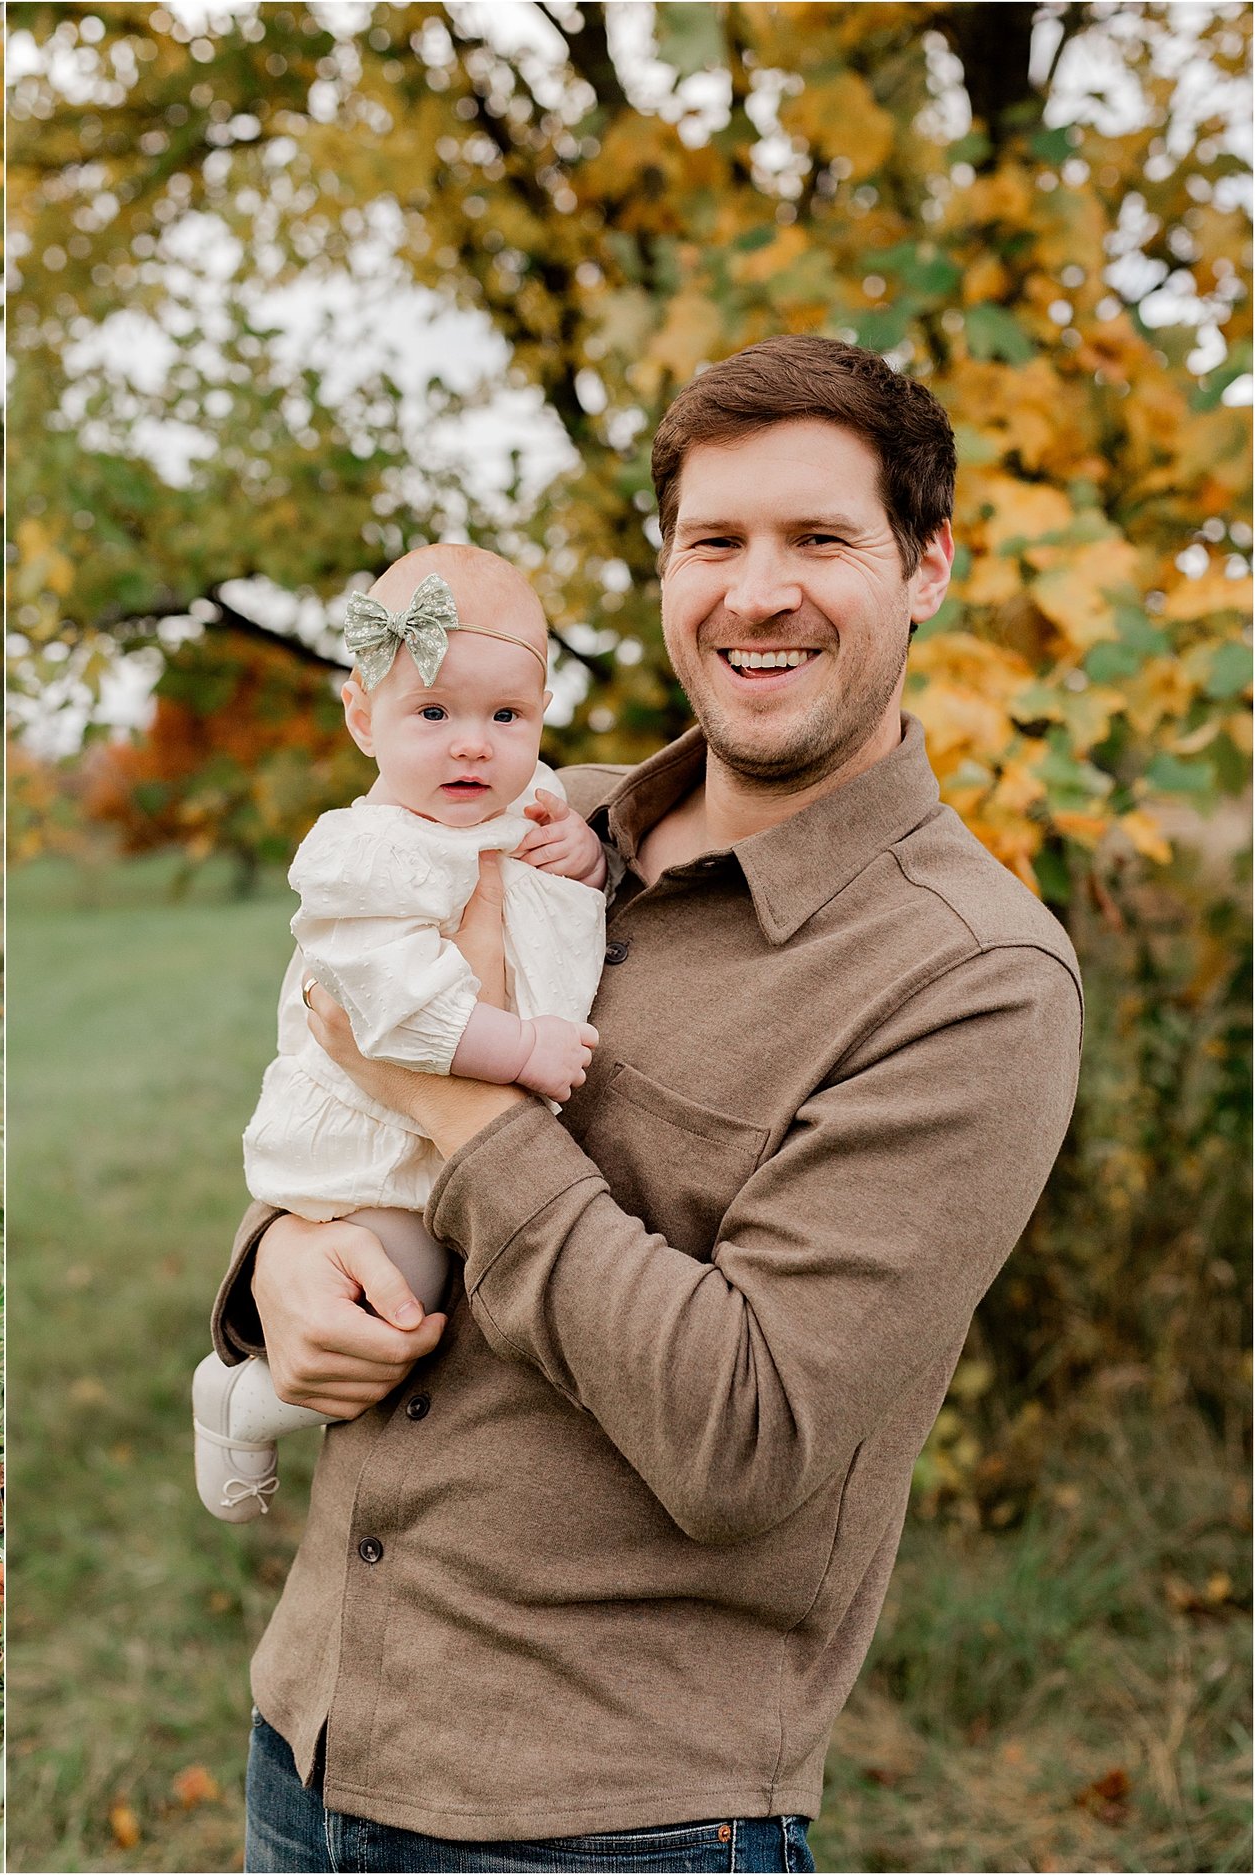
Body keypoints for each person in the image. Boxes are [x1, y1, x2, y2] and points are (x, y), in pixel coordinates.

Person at [214, 335, 1083, 1872]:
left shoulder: (972, 976)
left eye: (821, 538)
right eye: (715, 542)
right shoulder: (521, 814)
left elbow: (748, 1436)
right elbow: (333, 1058)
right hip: (314, 1736)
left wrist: (475, 1117)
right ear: (667, 570)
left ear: (928, 565)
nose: (759, 591)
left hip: (611, 1817)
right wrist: (276, 1254)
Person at [192, 545, 606, 1522]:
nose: (473, 746)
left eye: (505, 717)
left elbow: (555, 892)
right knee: (395, 1306)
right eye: (432, 714)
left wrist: (580, 852)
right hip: (379, 1155)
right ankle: (241, 1402)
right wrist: (519, 1053)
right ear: (360, 717)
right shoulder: (368, 854)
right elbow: (390, 1007)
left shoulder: (526, 801)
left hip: (468, 1149)